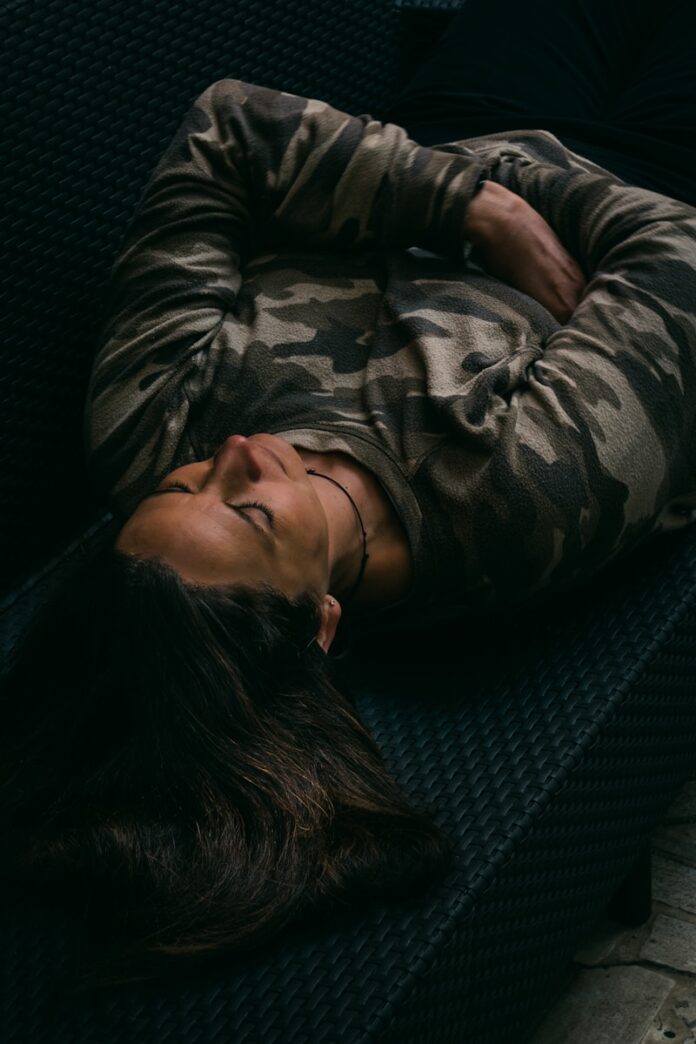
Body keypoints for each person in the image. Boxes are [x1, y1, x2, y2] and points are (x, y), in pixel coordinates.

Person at [4, 0, 695, 997]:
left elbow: (227, 130)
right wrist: (444, 192)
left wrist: (474, 203)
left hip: (460, 128)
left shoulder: (145, 430)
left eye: (188, 483)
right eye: (251, 511)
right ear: (321, 622)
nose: (235, 453)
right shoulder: (511, 500)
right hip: (657, 169)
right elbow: (676, 255)